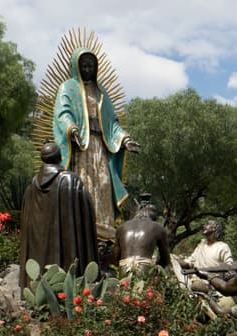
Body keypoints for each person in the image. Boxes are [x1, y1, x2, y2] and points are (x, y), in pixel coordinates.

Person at [53, 48, 139, 242]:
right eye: (84, 65)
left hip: (100, 146)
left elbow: (112, 123)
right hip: (80, 148)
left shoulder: (101, 92)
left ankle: (105, 230)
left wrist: (125, 139)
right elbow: (62, 113)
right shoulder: (68, 87)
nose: (88, 69)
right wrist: (71, 128)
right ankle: (82, 228)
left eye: (91, 65)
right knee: (84, 185)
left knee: (103, 183)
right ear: (76, 66)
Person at [19, 142, 99, 289]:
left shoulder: (30, 189)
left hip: (37, 268)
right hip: (67, 261)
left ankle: (37, 289)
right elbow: (86, 214)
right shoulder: (70, 180)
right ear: (60, 158)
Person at [114, 200, 171, 275]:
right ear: (153, 216)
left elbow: (116, 258)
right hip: (144, 270)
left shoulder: (121, 228)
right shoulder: (158, 227)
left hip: (124, 270)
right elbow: (166, 260)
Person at [177, 220, 234, 292]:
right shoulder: (201, 244)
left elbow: (229, 266)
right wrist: (174, 260)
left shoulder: (223, 246)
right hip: (194, 279)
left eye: (208, 224)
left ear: (214, 228)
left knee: (196, 286)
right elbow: (190, 261)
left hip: (211, 283)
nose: (204, 226)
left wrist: (216, 277)